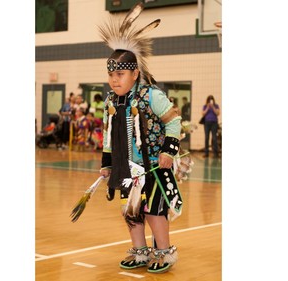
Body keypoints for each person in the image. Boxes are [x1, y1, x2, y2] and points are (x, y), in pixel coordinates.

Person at [98, 2, 184, 274]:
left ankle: (163, 252)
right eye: (111, 74)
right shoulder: (111, 100)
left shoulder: (150, 95)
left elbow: (174, 120)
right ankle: (140, 250)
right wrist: (107, 162)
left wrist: (169, 151)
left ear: (135, 73)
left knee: (154, 211)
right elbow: (109, 134)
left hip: (154, 166)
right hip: (127, 166)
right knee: (131, 211)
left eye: (120, 74)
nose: (114, 80)